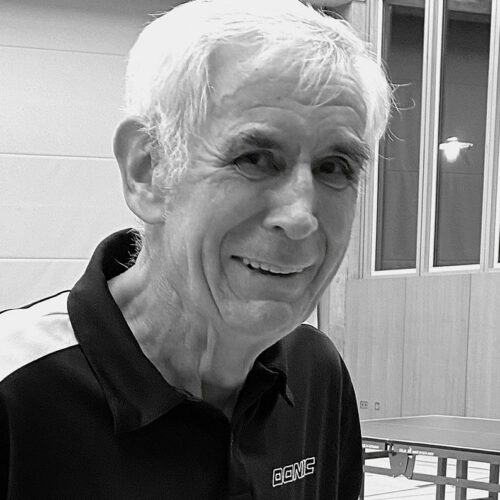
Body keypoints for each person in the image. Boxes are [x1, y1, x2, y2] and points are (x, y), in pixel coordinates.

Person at [0, 0, 390, 498]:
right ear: (148, 171)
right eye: (255, 158)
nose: (299, 217)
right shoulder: (16, 392)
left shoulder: (316, 373)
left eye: (334, 167)